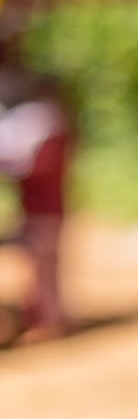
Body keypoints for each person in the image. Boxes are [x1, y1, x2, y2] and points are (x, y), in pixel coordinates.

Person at [0, 48, 71, 345]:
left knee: (43, 266)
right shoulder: (49, 120)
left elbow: (32, 165)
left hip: (42, 210)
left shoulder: (43, 120)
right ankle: (49, 318)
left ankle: (49, 320)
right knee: (45, 267)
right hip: (44, 208)